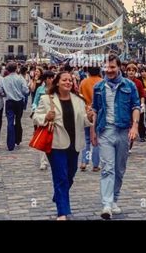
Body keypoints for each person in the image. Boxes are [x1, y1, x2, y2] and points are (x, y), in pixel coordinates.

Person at [33, 71, 94, 220]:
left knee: (70, 175)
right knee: (60, 176)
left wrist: (90, 117)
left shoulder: (79, 100)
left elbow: (83, 121)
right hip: (56, 144)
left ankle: (58, 195)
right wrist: (45, 117)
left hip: (74, 144)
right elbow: (35, 117)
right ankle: (63, 212)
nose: (68, 82)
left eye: (70, 80)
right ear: (57, 82)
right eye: (64, 80)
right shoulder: (47, 99)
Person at [91, 54, 140, 219]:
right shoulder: (98, 87)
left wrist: (135, 126)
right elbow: (95, 110)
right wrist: (93, 132)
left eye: (112, 67)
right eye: (106, 67)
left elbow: (135, 106)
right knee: (107, 168)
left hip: (124, 131)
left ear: (119, 67)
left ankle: (114, 199)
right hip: (105, 131)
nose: (109, 70)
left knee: (119, 170)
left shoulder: (130, 85)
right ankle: (106, 204)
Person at [0, 62, 29, 151]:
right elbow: (26, 91)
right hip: (19, 102)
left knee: (10, 122)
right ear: (16, 68)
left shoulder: (4, 79)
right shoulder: (20, 78)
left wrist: (6, 93)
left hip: (9, 102)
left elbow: (0, 91)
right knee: (18, 120)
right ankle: (18, 139)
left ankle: (10, 144)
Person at [78, 66, 103, 171]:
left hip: (86, 112)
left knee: (87, 139)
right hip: (99, 113)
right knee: (96, 140)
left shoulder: (83, 82)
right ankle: (96, 164)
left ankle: (84, 161)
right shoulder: (102, 82)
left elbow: (80, 98)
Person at [32, 70, 56, 170]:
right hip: (43, 116)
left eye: (52, 78)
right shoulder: (40, 89)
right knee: (43, 138)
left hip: (54, 116)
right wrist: (34, 110)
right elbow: (35, 102)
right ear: (46, 79)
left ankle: (52, 159)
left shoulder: (56, 89)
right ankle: (43, 161)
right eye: (49, 78)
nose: (51, 80)